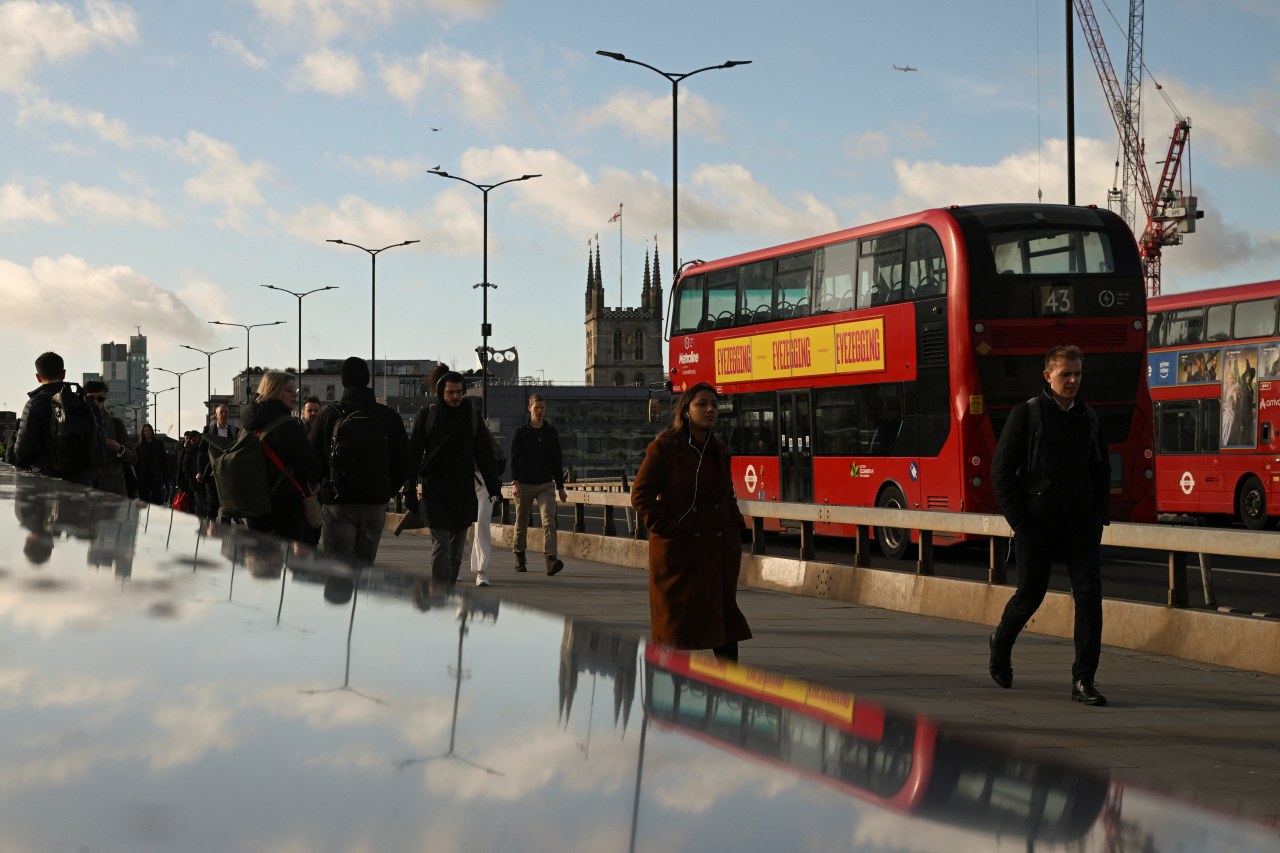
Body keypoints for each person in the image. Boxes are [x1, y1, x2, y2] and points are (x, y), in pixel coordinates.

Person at [989, 344, 1111, 707]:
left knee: (1089, 597)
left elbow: (1101, 470)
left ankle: (1083, 679)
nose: (1073, 380)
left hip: (1080, 526)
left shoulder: (1088, 417)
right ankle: (1001, 644)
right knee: (1030, 595)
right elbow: (1001, 474)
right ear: (1048, 376)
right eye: (1066, 374)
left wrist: (1098, 515)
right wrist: (1022, 524)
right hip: (1037, 525)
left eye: (1078, 374)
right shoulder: (1025, 415)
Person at [630, 382, 751, 662]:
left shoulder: (718, 451)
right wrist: (669, 528)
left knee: (724, 629)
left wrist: (734, 526)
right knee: (675, 633)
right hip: (679, 555)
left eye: (715, 405)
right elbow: (641, 495)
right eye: (702, 404)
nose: (711, 409)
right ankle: (668, 695)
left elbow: (726, 496)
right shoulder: (664, 447)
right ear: (686, 411)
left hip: (716, 554)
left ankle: (730, 692)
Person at [404, 371, 501, 590]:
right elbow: (413, 454)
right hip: (435, 490)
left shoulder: (471, 416)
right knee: (441, 545)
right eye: (450, 393)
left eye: (459, 392)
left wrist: (494, 487)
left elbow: (484, 454)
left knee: (456, 549)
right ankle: (440, 593)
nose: (456, 397)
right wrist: (409, 489)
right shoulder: (427, 415)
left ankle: (446, 589)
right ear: (441, 392)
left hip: (463, 491)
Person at [309, 357, 410, 565]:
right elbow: (405, 462)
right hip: (374, 502)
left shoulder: (329, 415)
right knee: (364, 568)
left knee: (337, 570)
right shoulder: (388, 416)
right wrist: (387, 490)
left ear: (344, 381)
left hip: (338, 501)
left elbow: (310, 457)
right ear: (367, 379)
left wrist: (324, 486)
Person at [240, 370, 323, 541]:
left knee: (261, 560)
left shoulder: (247, 427)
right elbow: (309, 466)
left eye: (295, 390)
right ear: (274, 392)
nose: (294, 394)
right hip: (284, 506)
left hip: (254, 503)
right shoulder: (288, 426)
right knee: (285, 561)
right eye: (288, 390)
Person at [6, 351, 95, 485]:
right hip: (84, 480)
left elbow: (23, 453)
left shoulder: (34, 404)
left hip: (47, 480)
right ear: (64, 373)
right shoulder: (84, 402)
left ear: (38, 377)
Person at [509, 393, 567, 576]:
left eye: (542, 408)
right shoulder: (521, 432)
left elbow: (557, 461)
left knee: (549, 520)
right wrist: (515, 482)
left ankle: (551, 559)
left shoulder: (551, 433)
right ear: (530, 409)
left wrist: (560, 486)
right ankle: (519, 555)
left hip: (545, 484)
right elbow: (514, 459)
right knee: (522, 521)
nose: (540, 411)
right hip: (524, 484)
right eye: (536, 408)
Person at [83, 380, 137, 497]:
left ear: (105, 400)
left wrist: (120, 448)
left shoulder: (116, 423)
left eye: (100, 399)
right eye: (91, 398)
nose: (96, 402)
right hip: (85, 487)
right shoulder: (75, 423)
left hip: (113, 489)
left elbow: (133, 458)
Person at [198, 404, 239, 521]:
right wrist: (199, 471)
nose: (224, 414)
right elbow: (201, 452)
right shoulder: (208, 430)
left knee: (227, 506)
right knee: (212, 504)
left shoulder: (235, 431)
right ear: (216, 415)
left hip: (228, 474)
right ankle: (212, 529)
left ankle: (226, 534)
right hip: (212, 472)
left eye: (226, 412)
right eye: (221, 412)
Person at [134, 424, 169, 504]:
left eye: (149, 430)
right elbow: (136, 461)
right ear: (143, 433)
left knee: (156, 498)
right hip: (143, 476)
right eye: (145, 431)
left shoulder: (159, 443)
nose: (147, 432)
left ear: (152, 431)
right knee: (144, 499)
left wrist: (164, 474)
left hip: (156, 476)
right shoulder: (139, 445)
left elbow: (164, 460)